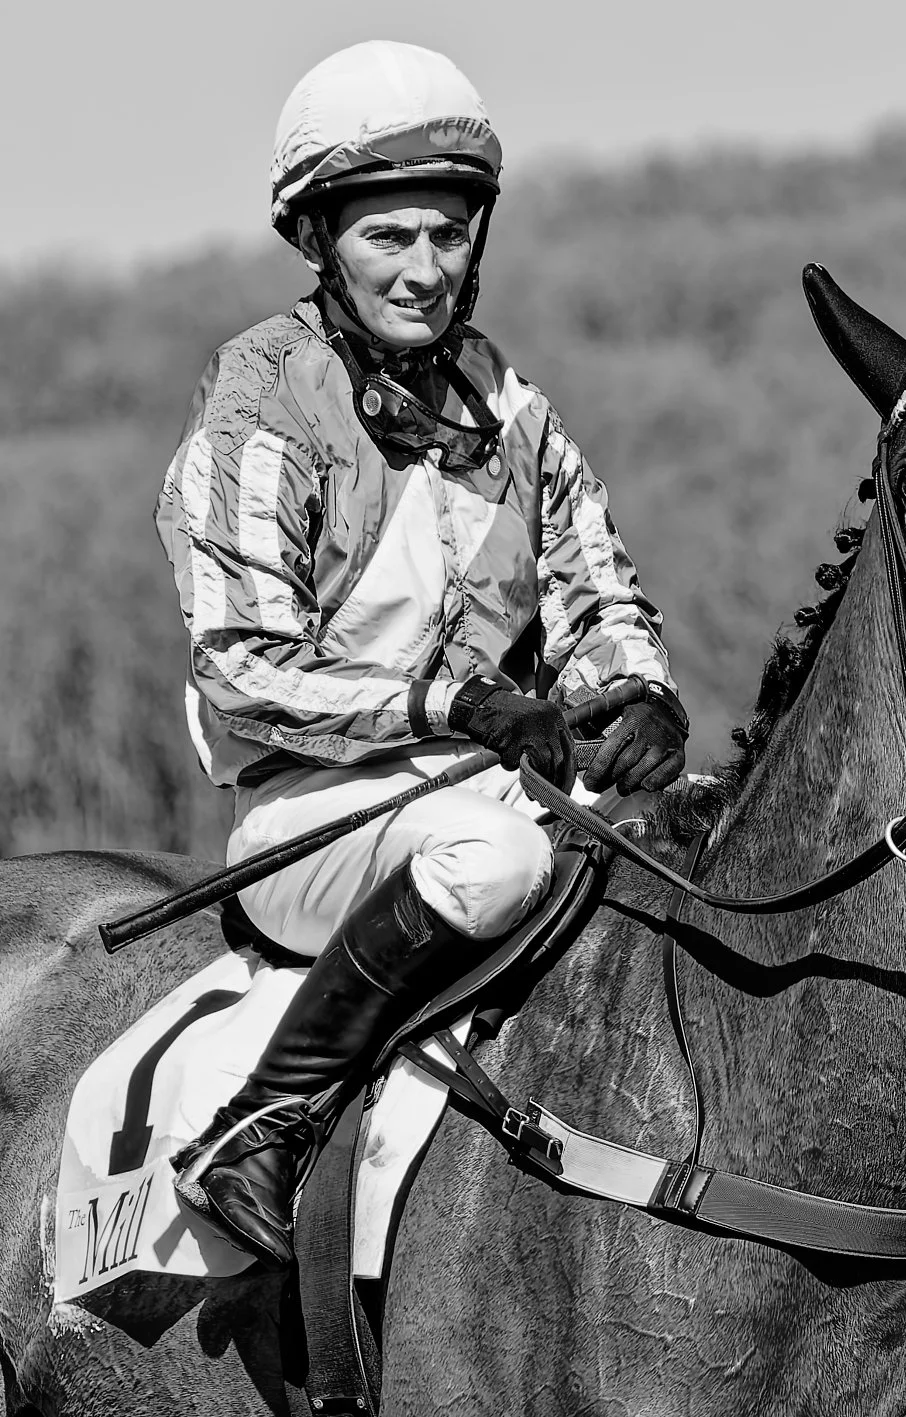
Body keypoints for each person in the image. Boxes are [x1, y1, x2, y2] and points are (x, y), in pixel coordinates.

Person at [155, 40, 689, 1270]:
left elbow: (596, 581)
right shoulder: (259, 399)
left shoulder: (512, 405)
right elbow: (241, 665)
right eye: (389, 236)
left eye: (448, 234)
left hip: (494, 782)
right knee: (496, 855)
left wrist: (635, 689)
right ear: (320, 239)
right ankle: (262, 1125)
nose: (426, 268)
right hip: (311, 815)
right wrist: (456, 701)